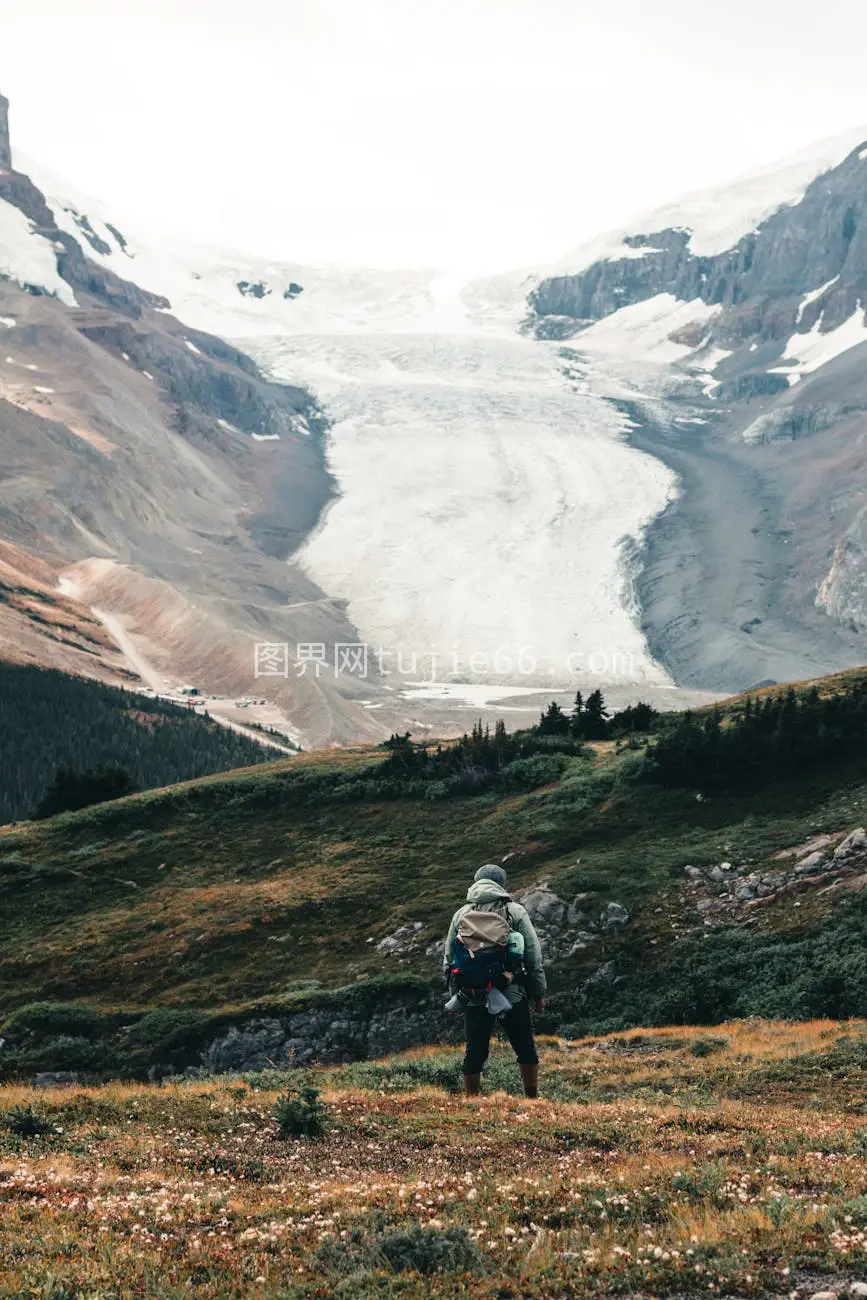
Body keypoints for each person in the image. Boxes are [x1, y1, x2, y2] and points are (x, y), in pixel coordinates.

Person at [443, 863, 547, 1098]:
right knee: (524, 1045)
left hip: (473, 993)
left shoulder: (462, 913)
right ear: (501, 884)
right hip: (510, 991)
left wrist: (455, 988)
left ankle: (471, 1098)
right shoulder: (514, 911)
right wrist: (538, 993)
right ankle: (531, 1097)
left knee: (475, 1049)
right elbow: (532, 955)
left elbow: (449, 956)